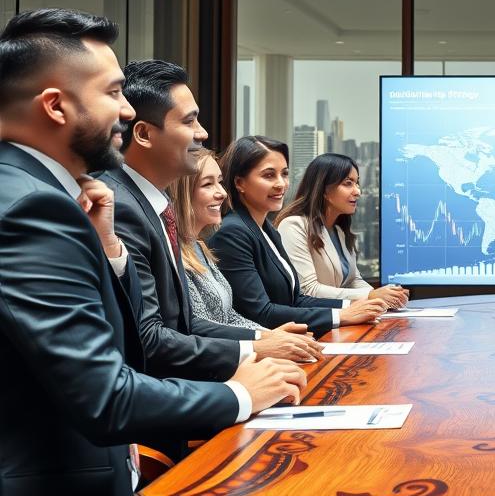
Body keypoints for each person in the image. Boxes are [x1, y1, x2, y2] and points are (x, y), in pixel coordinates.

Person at [0, 9, 305, 496]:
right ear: (56, 107)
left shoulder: (50, 195)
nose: (125, 112)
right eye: (113, 93)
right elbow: (106, 397)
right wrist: (238, 396)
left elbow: (114, 348)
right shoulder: (30, 205)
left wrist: (108, 253)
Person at [100, 61, 321, 387]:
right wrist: (253, 351)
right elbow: (149, 338)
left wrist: (259, 342)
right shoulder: (121, 207)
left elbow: (186, 324)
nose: (202, 133)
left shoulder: (154, 207)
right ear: (144, 133)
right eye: (190, 121)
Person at [210, 136, 387, 331]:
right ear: (239, 183)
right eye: (269, 175)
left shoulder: (267, 229)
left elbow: (296, 300)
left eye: (284, 174)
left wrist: (354, 307)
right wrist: (342, 315)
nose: (281, 184)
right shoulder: (233, 232)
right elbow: (261, 313)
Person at [171, 147, 291, 336]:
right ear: (183, 193)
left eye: (219, 182)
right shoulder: (174, 251)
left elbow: (229, 316)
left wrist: (270, 335)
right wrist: (263, 339)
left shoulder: (199, 246)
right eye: (207, 184)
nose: (223, 193)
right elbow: (199, 327)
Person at [276, 153, 408, 308]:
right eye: (348, 183)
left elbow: (353, 280)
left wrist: (385, 297)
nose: (357, 191)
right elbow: (308, 290)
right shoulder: (293, 226)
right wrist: (370, 295)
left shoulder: (339, 231)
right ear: (324, 189)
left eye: (357, 183)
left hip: (345, 319)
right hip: (313, 324)